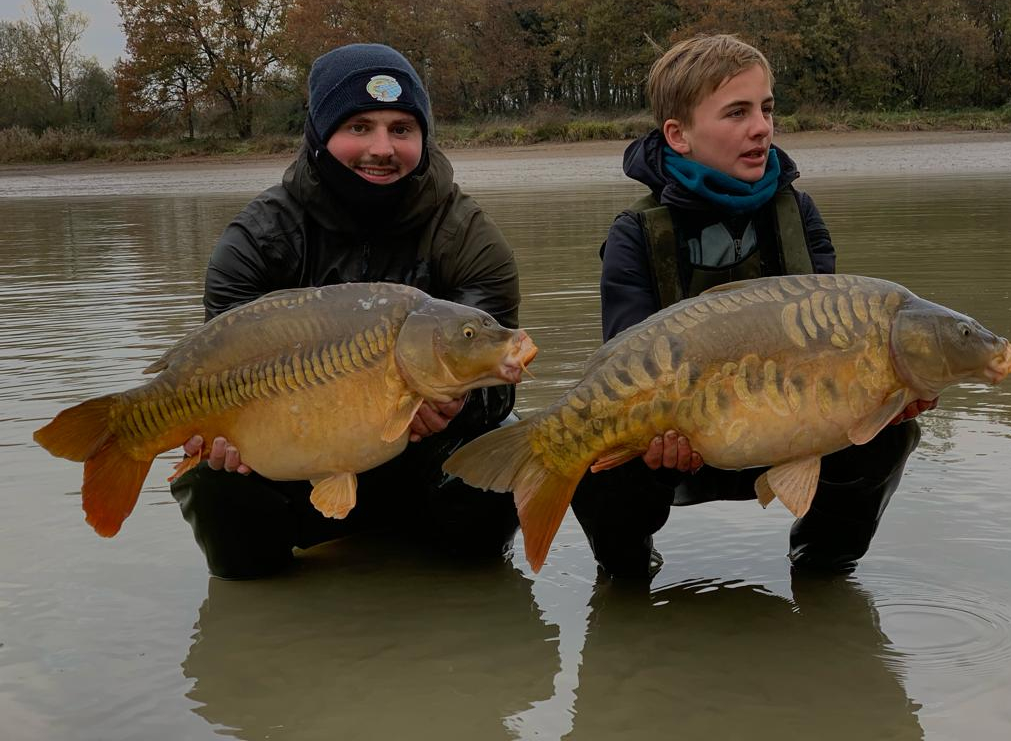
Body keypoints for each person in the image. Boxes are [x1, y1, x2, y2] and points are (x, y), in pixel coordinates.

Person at [571, 34, 935, 579]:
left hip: (790, 430)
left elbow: (838, 345)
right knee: (588, 446)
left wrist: (886, 390)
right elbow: (623, 365)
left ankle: (823, 568)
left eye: (766, 109)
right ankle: (625, 572)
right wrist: (655, 438)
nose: (762, 127)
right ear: (678, 135)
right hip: (679, 446)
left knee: (889, 432)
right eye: (737, 112)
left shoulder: (799, 215)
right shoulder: (635, 234)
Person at [170, 43, 522, 579]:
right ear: (319, 133)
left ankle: (444, 576)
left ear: (423, 138)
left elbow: (496, 376)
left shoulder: (469, 237)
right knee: (210, 477)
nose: (382, 148)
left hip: (424, 464)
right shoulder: (256, 240)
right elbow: (218, 368)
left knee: (508, 444)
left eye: (402, 129)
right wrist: (220, 436)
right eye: (359, 126)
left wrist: (460, 406)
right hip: (289, 460)